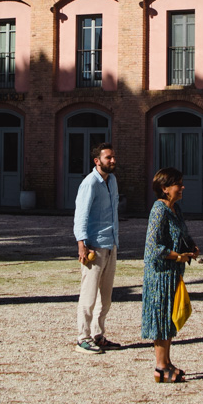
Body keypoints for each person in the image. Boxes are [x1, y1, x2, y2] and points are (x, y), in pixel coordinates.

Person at [143, 167, 200, 382]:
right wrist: (177, 256)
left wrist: (192, 247)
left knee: (169, 317)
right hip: (160, 275)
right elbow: (153, 247)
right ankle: (159, 367)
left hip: (173, 274)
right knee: (160, 317)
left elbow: (183, 234)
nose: (183, 187)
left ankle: (167, 362)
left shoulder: (175, 209)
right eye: (178, 184)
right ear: (165, 188)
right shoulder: (159, 210)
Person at [72, 141, 122, 354]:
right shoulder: (89, 183)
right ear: (97, 161)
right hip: (94, 246)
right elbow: (80, 215)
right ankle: (82, 338)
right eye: (108, 157)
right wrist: (81, 245)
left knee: (106, 297)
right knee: (89, 295)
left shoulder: (112, 181)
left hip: (110, 244)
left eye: (113, 157)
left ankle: (97, 334)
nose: (112, 160)